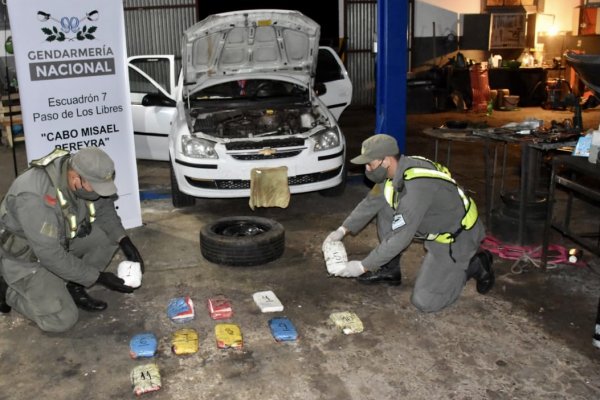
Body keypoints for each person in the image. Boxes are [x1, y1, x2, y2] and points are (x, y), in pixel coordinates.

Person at [323, 134, 494, 312]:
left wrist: (362, 266)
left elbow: (400, 238)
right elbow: (370, 202)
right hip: (433, 222)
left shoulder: (416, 189)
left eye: (369, 164)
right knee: (385, 206)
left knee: (425, 301)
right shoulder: (396, 171)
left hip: (456, 238)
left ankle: (474, 263)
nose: (367, 169)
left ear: (386, 160)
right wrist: (342, 230)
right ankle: (390, 270)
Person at [0, 147, 144, 332]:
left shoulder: (84, 176)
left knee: (109, 237)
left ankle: (74, 286)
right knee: (62, 319)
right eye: (95, 187)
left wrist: (124, 240)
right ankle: (8, 291)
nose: (98, 193)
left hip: (59, 242)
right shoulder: (34, 197)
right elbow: (49, 255)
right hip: (28, 259)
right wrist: (98, 277)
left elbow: (104, 208)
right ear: (75, 177)